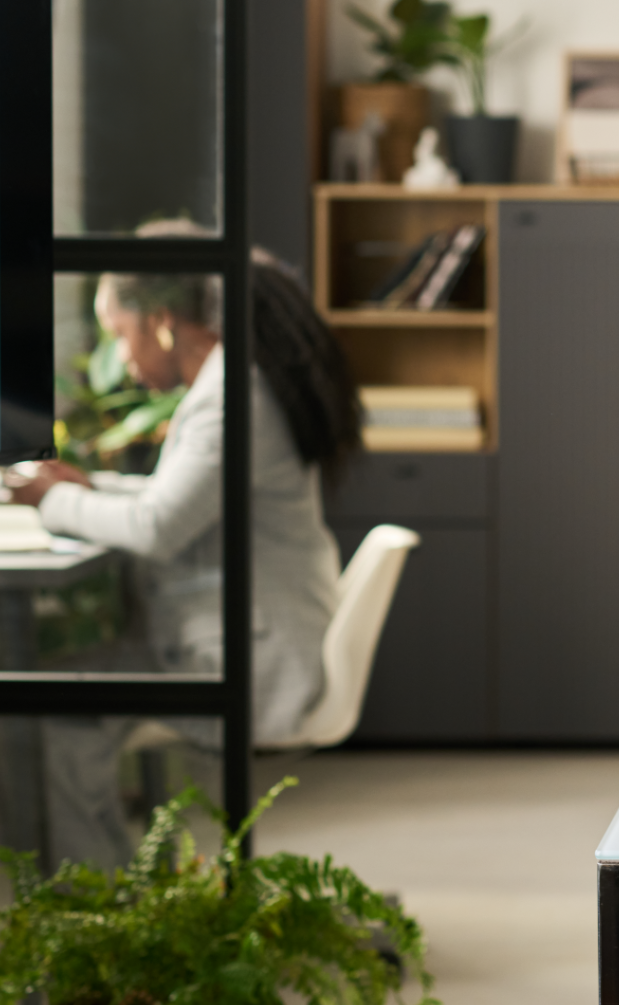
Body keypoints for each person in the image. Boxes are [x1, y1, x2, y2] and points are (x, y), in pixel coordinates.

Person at [12, 240, 361, 865]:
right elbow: (181, 499)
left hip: (246, 654)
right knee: (73, 690)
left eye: (121, 335)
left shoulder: (232, 398)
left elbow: (157, 527)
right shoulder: (236, 380)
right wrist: (90, 489)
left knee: (63, 718)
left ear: (162, 324)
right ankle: (134, 898)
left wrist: (46, 499)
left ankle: (109, 916)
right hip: (243, 631)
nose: (120, 360)